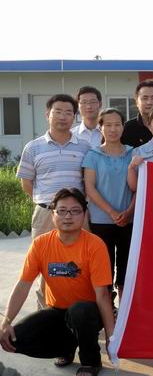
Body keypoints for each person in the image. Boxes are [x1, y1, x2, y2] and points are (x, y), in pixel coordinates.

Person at [0, 188, 114, 376]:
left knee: (79, 311)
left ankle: (91, 361)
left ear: (84, 214)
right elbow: (23, 285)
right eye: (62, 211)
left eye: (75, 211)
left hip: (88, 312)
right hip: (57, 310)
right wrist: (6, 322)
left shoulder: (95, 245)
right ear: (52, 214)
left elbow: (102, 295)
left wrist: (111, 337)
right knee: (12, 340)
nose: (68, 216)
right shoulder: (41, 244)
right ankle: (66, 348)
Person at [16, 94, 91, 309]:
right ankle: (46, 315)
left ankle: (79, 315)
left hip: (78, 214)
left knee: (80, 264)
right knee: (45, 265)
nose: (63, 117)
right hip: (46, 214)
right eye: (58, 111)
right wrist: (50, 205)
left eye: (68, 112)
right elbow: (27, 183)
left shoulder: (84, 146)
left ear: (74, 117)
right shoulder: (33, 147)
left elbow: (88, 181)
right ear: (48, 114)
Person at [82, 108, 135, 304]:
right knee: (104, 267)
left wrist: (128, 212)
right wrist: (112, 212)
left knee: (126, 267)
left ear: (123, 126)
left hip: (129, 220)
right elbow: (90, 187)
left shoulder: (133, 153)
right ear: (101, 128)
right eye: (108, 125)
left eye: (117, 124)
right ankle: (106, 310)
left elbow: (139, 187)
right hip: (101, 221)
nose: (113, 129)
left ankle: (125, 311)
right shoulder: (93, 155)